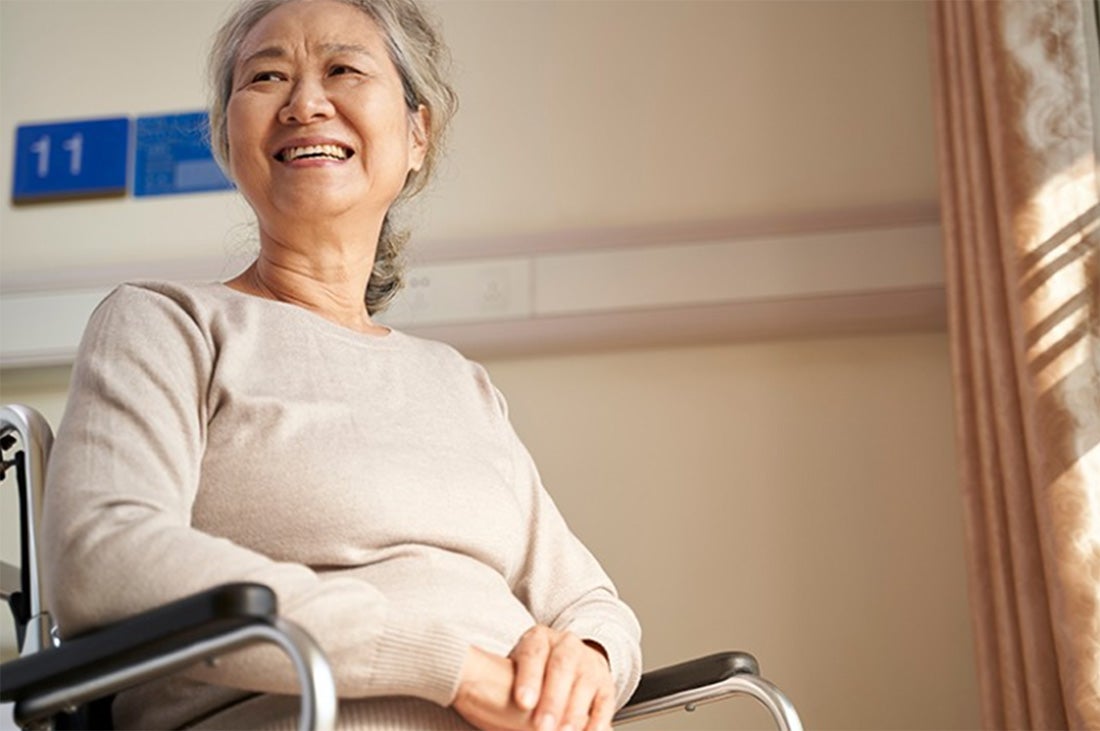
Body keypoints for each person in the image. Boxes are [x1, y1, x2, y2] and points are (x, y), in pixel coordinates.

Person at [39, 0, 642, 729]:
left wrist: (590, 656)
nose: (305, 103)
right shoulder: (166, 324)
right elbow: (103, 559)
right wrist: (445, 664)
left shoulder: (461, 383)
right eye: (266, 77)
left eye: (343, 69)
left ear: (418, 134)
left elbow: (588, 602)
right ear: (230, 140)